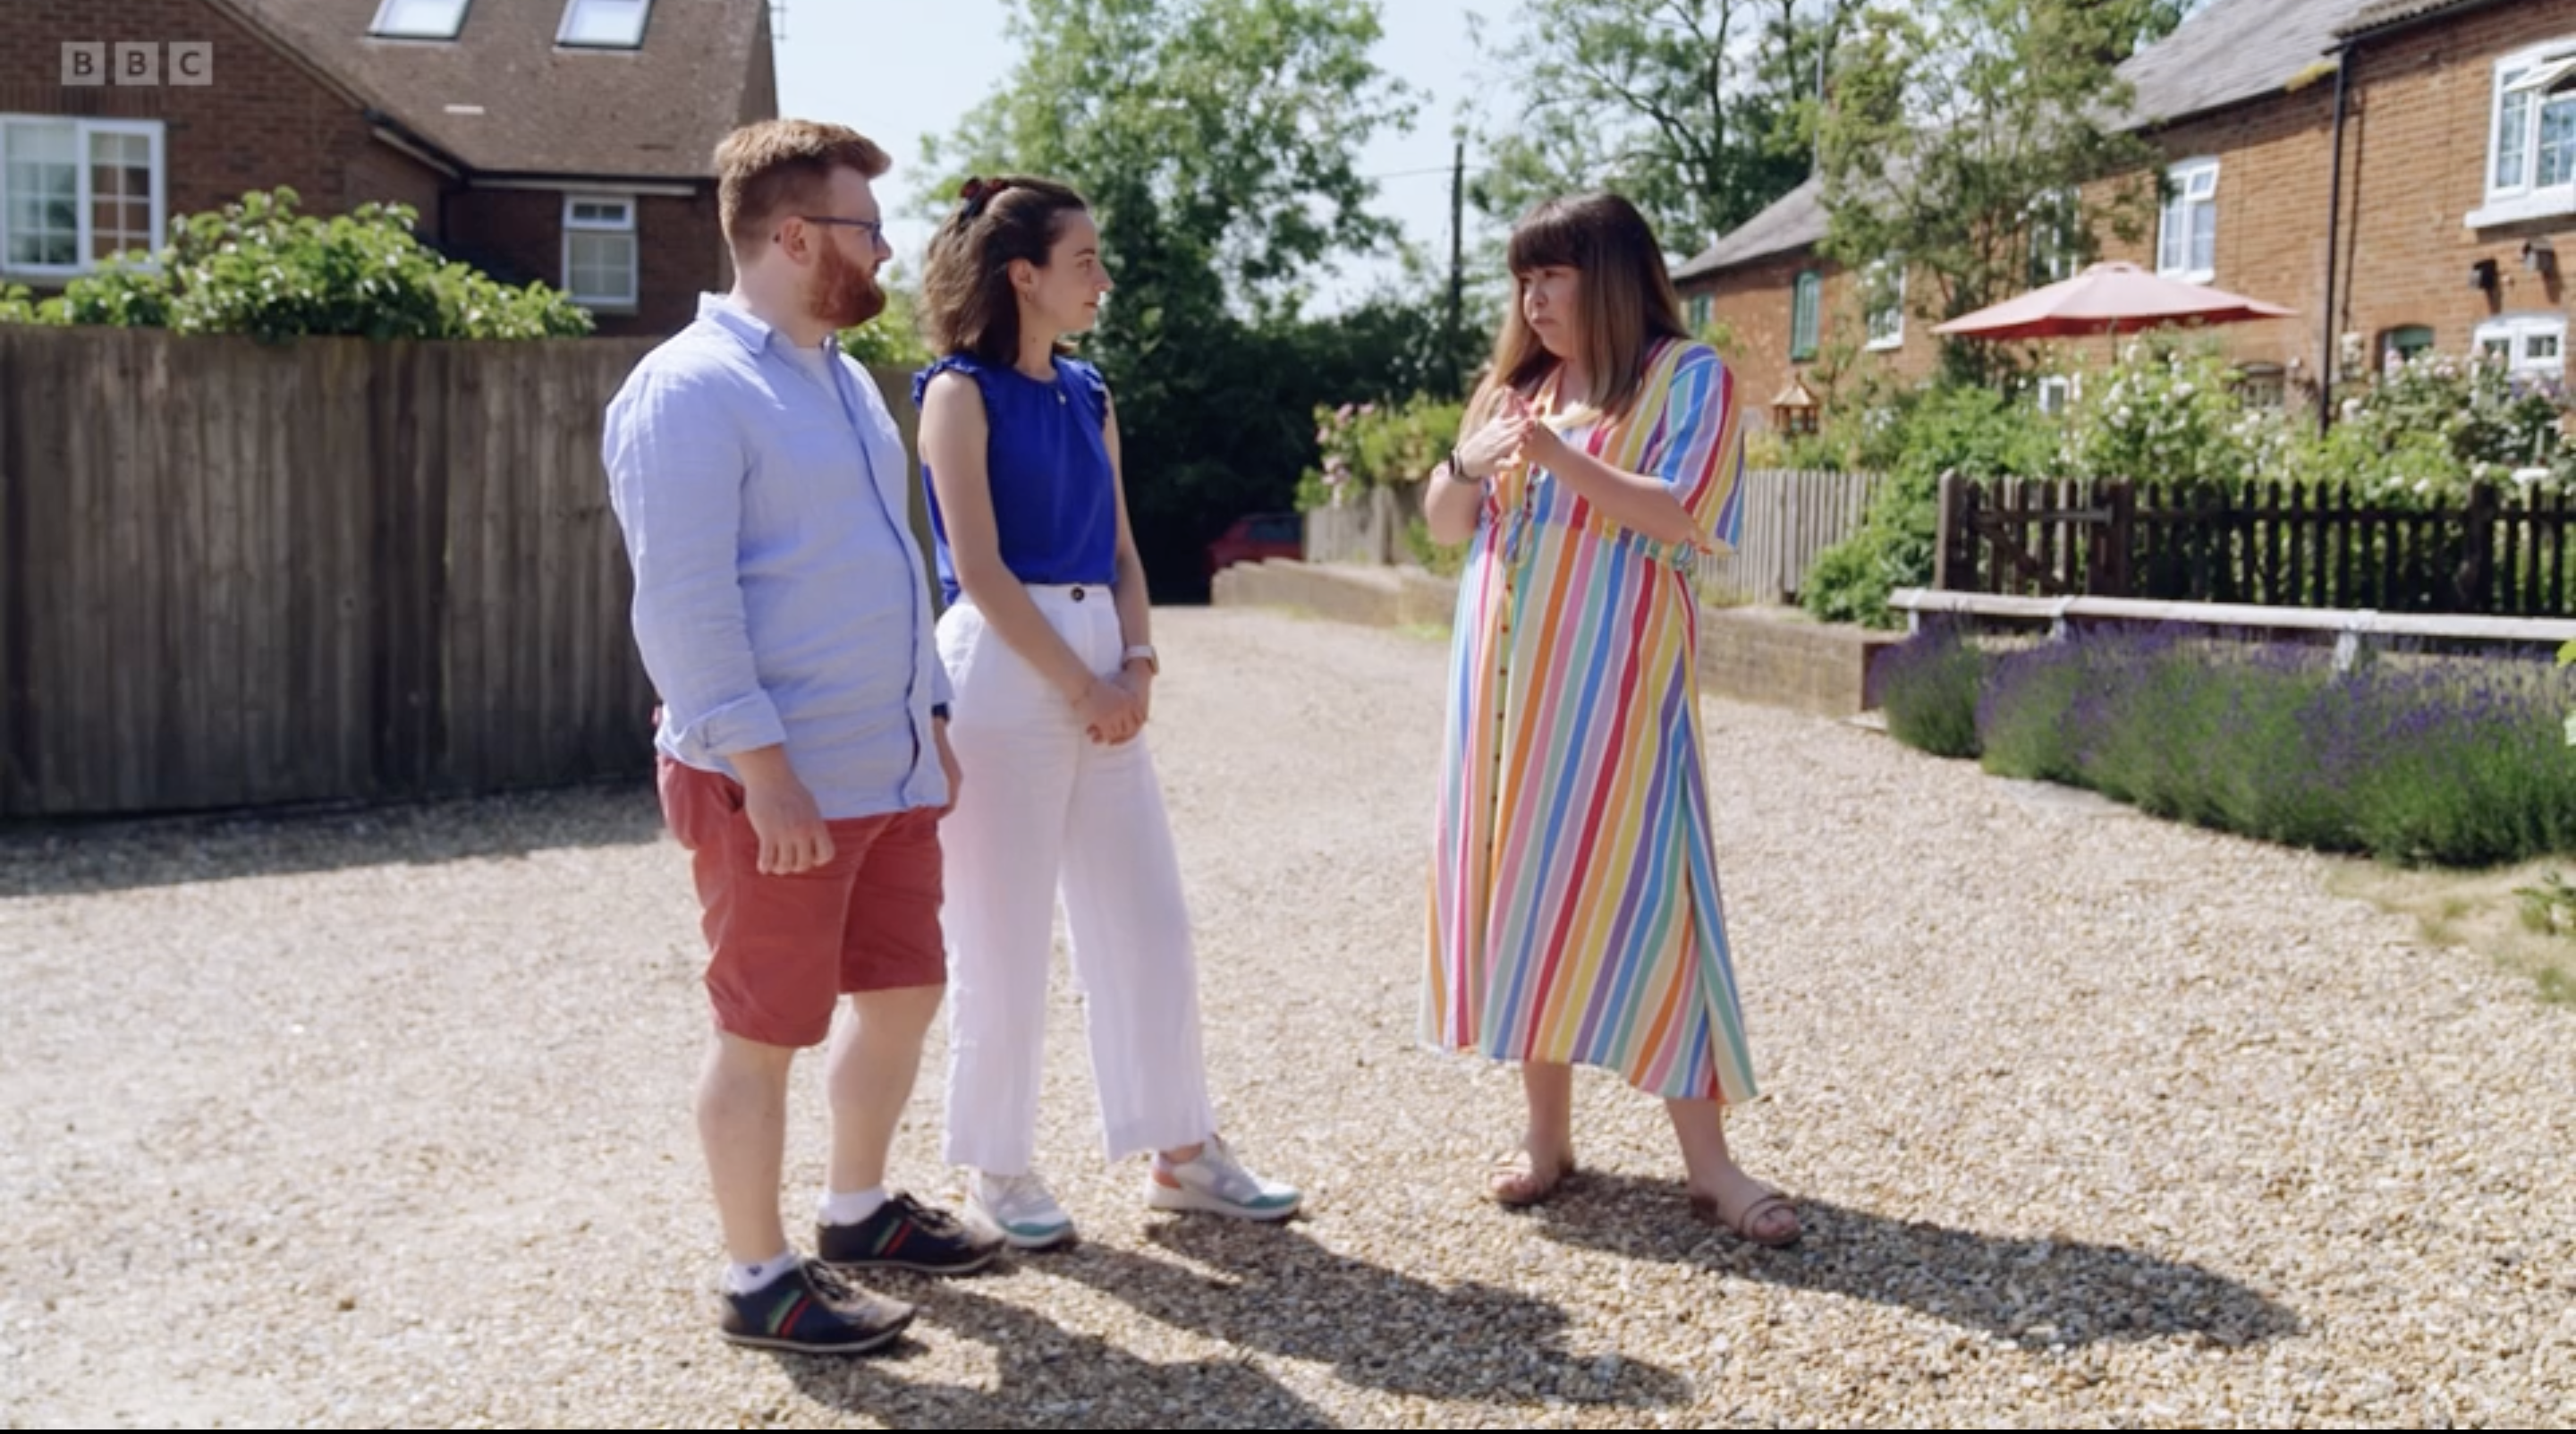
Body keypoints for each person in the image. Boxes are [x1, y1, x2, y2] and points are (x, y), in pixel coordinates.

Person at [603, 118, 1003, 1357]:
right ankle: (756, 1273)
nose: (884, 252)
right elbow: (684, 601)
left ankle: (857, 1209)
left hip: (879, 762)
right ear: (790, 236)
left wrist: (929, 710)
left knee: (903, 986)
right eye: (865, 230)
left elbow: (891, 564)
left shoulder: (839, 379)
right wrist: (761, 769)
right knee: (763, 1027)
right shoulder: (687, 388)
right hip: (773, 781)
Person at [911, 174, 1301, 1252]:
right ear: (1022, 274)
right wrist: (1079, 684)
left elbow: (1127, 551)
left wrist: (1135, 661)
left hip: (1102, 660)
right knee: (1002, 932)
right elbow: (979, 568)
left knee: (1149, 922)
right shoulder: (956, 395)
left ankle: (1183, 1152)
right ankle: (996, 1167)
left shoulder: (1091, 391)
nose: (1104, 278)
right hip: (1001, 668)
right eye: (1086, 260)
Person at [1418, 191, 1801, 1247]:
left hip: (1620, 696)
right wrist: (1477, 457)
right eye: (1523, 280)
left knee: (1659, 901)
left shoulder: (1691, 378)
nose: (1533, 299)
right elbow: (1448, 521)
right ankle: (1547, 1141)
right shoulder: (1515, 388)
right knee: (1525, 893)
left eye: (1554, 276)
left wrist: (1553, 458)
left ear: (1614, 276)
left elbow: (1683, 514)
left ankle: (1711, 1166)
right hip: (1500, 702)